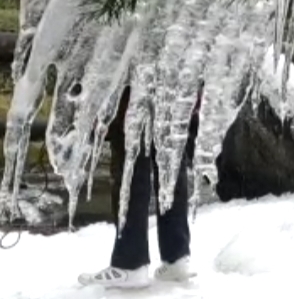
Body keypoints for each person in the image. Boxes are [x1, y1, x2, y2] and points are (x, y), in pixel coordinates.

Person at [78, 85, 203, 289]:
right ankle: (176, 257)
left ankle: (130, 264)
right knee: (170, 155)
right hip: (174, 81)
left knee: (131, 159)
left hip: (132, 87)